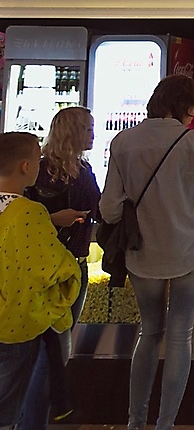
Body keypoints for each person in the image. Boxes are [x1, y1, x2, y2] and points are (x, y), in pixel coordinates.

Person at [99, 75, 194, 430]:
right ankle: (165, 424)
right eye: (193, 108)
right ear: (184, 106)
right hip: (190, 250)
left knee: (149, 332)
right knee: (181, 335)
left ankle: (136, 421)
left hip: (143, 252)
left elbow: (109, 210)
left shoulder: (123, 141)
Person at [20, 107, 101, 428]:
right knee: (52, 350)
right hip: (56, 268)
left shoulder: (78, 168)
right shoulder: (48, 172)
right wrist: (56, 219)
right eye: (88, 129)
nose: (93, 135)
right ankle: (34, 421)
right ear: (73, 132)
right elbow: (24, 218)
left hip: (67, 265)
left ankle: (33, 419)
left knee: (52, 347)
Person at [0, 132, 81, 428]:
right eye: (37, 158)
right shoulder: (29, 213)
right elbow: (54, 268)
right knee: (7, 409)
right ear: (26, 166)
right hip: (14, 325)